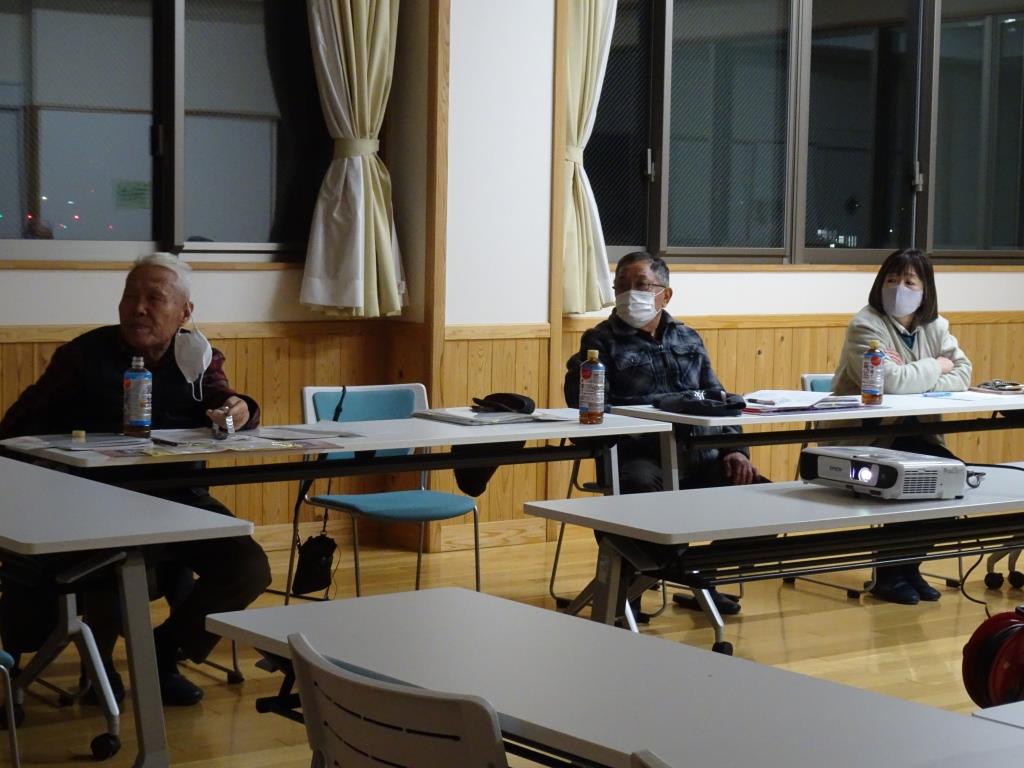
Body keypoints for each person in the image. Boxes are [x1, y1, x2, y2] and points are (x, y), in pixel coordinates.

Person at [0, 253, 272, 706]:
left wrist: (241, 409)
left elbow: (225, 402)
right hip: (92, 501)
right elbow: (14, 427)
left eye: (154, 298)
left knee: (247, 567)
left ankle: (163, 653)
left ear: (184, 312)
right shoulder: (83, 355)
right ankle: (98, 668)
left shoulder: (197, 356)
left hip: (178, 500)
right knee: (111, 565)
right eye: (130, 297)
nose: (138, 308)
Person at [565, 251, 760, 616]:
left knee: (762, 498)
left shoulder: (688, 337)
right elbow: (591, 406)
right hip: (639, 455)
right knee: (639, 495)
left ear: (665, 295)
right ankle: (629, 592)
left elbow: (718, 397)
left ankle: (699, 576)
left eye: (641, 285)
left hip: (700, 453)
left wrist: (735, 449)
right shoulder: (600, 341)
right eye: (621, 286)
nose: (629, 294)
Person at [832, 247, 972, 605]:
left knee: (956, 481)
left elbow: (963, 374)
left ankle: (909, 566)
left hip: (919, 434)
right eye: (892, 280)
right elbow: (890, 382)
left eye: (910, 282)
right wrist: (936, 366)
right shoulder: (865, 324)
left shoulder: (937, 326)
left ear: (926, 290)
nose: (899, 288)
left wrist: (915, 375)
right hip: (869, 437)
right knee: (909, 479)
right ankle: (888, 571)